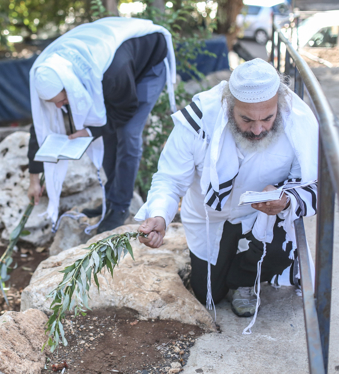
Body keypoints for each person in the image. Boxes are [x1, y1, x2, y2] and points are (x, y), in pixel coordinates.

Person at [135, 58, 318, 325]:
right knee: (208, 294)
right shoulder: (199, 121)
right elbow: (170, 179)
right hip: (211, 216)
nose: (258, 129)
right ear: (228, 105)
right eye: (246, 119)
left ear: (279, 105)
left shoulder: (297, 122)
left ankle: (246, 280)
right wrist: (160, 216)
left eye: (268, 118)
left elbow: (310, 182)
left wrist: (285, 198)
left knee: (279, 251)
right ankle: (222, 269)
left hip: (262, 217)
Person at [27, 17, 177, 234]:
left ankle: (119, 207)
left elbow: (126, 109)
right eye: (54, 104)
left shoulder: (112, 75)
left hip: (148, 64)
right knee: (107, 133)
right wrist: (34, 178)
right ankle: (110, 201)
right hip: (114, 65)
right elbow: (38, 127)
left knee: (126, 133)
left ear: (72, 87)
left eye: (62, 100)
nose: (59, 107)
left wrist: (89, 131)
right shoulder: (51, 71)